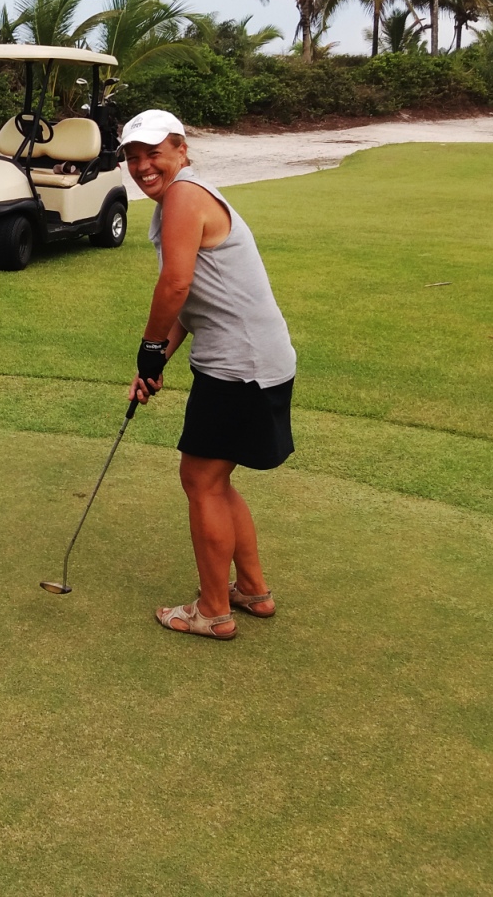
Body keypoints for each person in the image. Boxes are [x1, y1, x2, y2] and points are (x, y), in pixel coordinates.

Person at [122, 110, 297, 640]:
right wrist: (153, 364)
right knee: (215, 480)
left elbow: (175, 286)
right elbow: (194, 303)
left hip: (238, 367)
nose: (143, 166)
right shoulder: (187, 197)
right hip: (257, 361)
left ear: (181, 150)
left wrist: (149, 346)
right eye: (132, 157)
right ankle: (252, 591)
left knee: (200, 479)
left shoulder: (184, 196)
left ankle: (213, 610)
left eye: (154, 153)